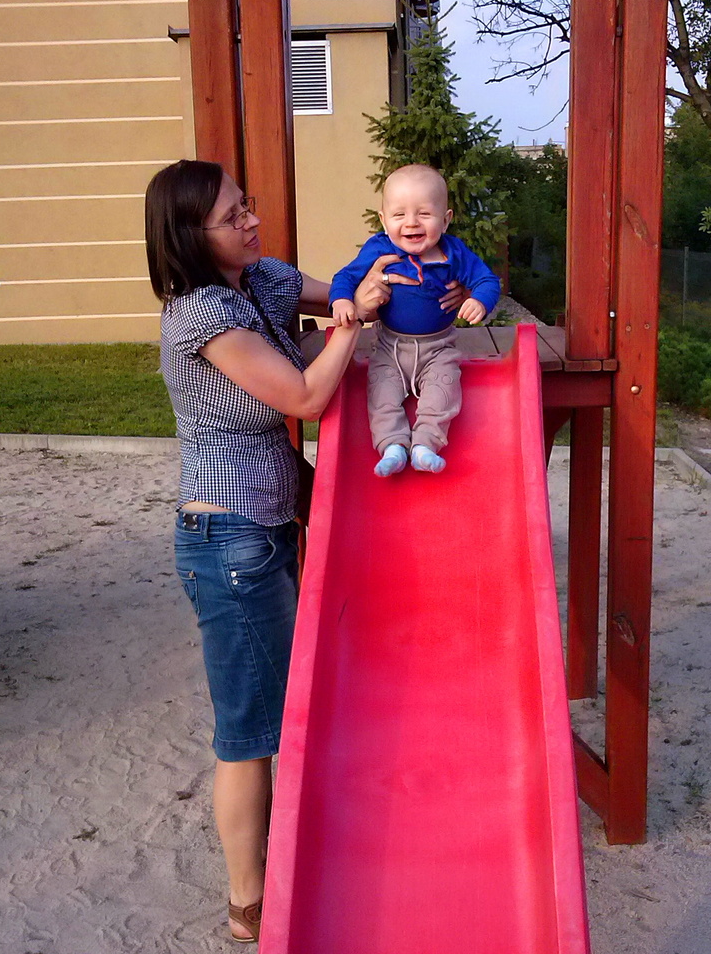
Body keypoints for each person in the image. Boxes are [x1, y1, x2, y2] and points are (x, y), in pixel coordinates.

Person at [144, 159, 467, 942]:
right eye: (232, 216)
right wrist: (352, 327)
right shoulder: (200, 316)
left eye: (247, 204)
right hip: (227, 540)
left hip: (270, 528)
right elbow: (306, 396)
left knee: (287, 708)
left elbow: (353, 291)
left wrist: (421, 283)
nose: (251, 220)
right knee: (250, 731)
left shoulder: (262, 281)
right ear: (189, 236)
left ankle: (292, 859)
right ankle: (247, 903)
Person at [329, 164, 501, 477]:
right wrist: (341, 300)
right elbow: (346, 277)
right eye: (399, 215)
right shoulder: (380, 249)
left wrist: (479, 300)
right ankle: (392, 446)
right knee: (382, 394)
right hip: (389, 347)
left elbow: (487, 280)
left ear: (445, 220)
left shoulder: (453, 254)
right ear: (384, 220)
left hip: (439, 347)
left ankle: (425, 446)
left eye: (424, 213)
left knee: (443, 391)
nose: (411, 222)